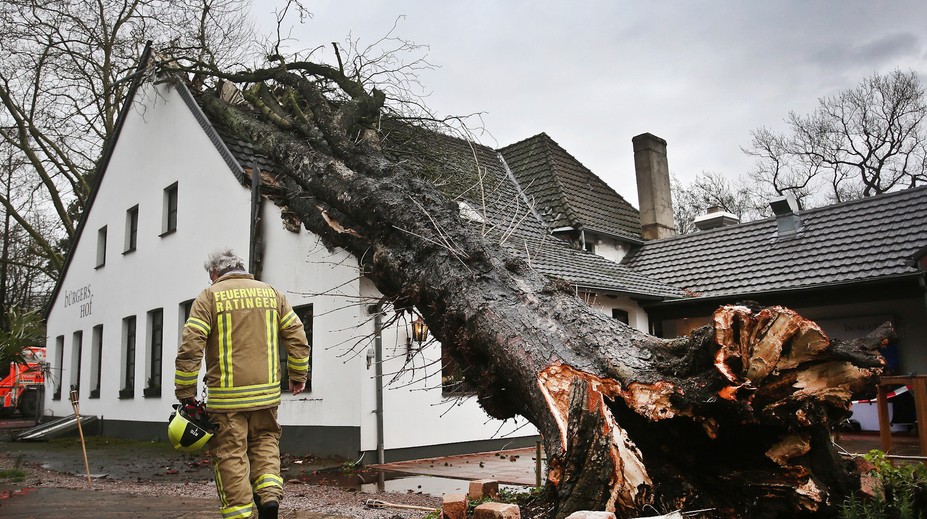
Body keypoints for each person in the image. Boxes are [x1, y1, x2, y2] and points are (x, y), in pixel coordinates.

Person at [175, 248, 310, 519]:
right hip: (266, 394)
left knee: (231, 454)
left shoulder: (209, 297)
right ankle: (269, 498)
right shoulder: (272, 294)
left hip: (227, 400)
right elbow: (297, 336)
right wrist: (298, 375)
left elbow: (191, 347)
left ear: (215, 272)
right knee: (266, 441)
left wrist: (186, 391)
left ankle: (240, 514)